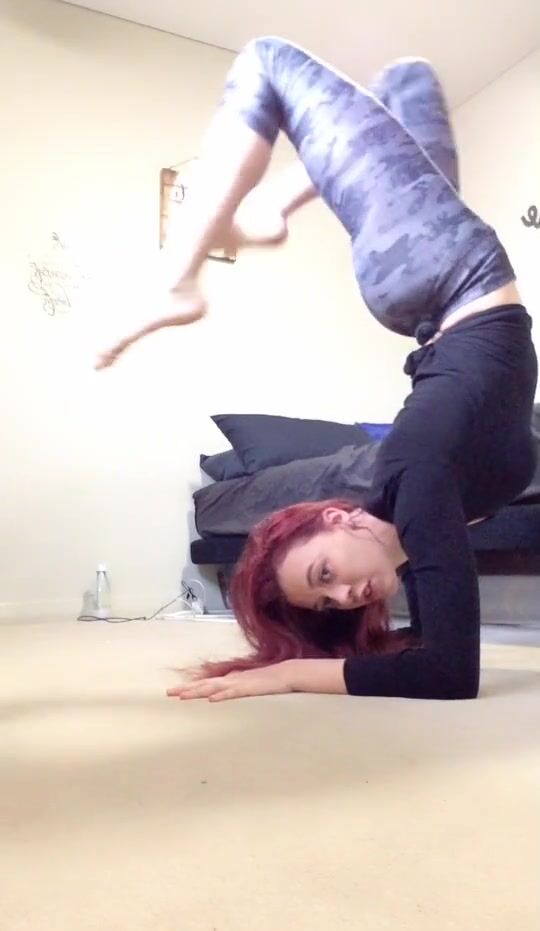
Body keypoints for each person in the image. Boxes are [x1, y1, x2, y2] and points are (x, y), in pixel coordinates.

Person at [96, 39, 537, 700]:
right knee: (408, 82)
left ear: (340, 518)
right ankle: (277, 203)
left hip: (449, 278)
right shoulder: (426, 512)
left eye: (324, 574)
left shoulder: (415, 481)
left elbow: (448, 675)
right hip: (435, 303)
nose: (346, 595)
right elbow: (437, 655)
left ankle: (179, 279)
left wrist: (289, 673)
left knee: (274, 60)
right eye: (329, 603)